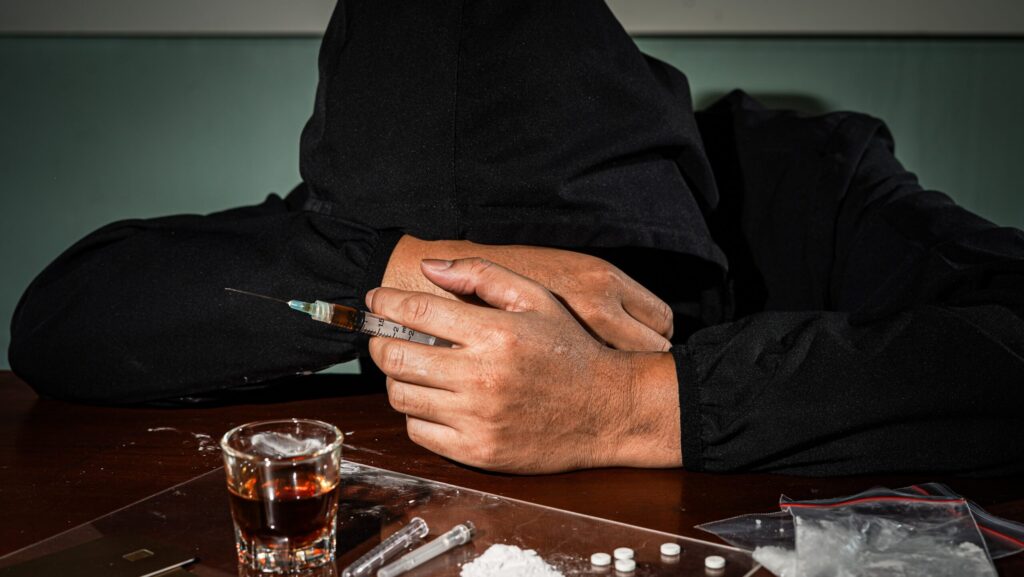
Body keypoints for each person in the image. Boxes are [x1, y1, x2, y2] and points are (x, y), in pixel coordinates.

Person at [9, 0, 1024, 476]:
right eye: (459, 289)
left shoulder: (811, 181)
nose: (499, 333)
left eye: (561, 282)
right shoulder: (369, 211)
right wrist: (381, 268)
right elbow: (62, 319)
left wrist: (634, 403)